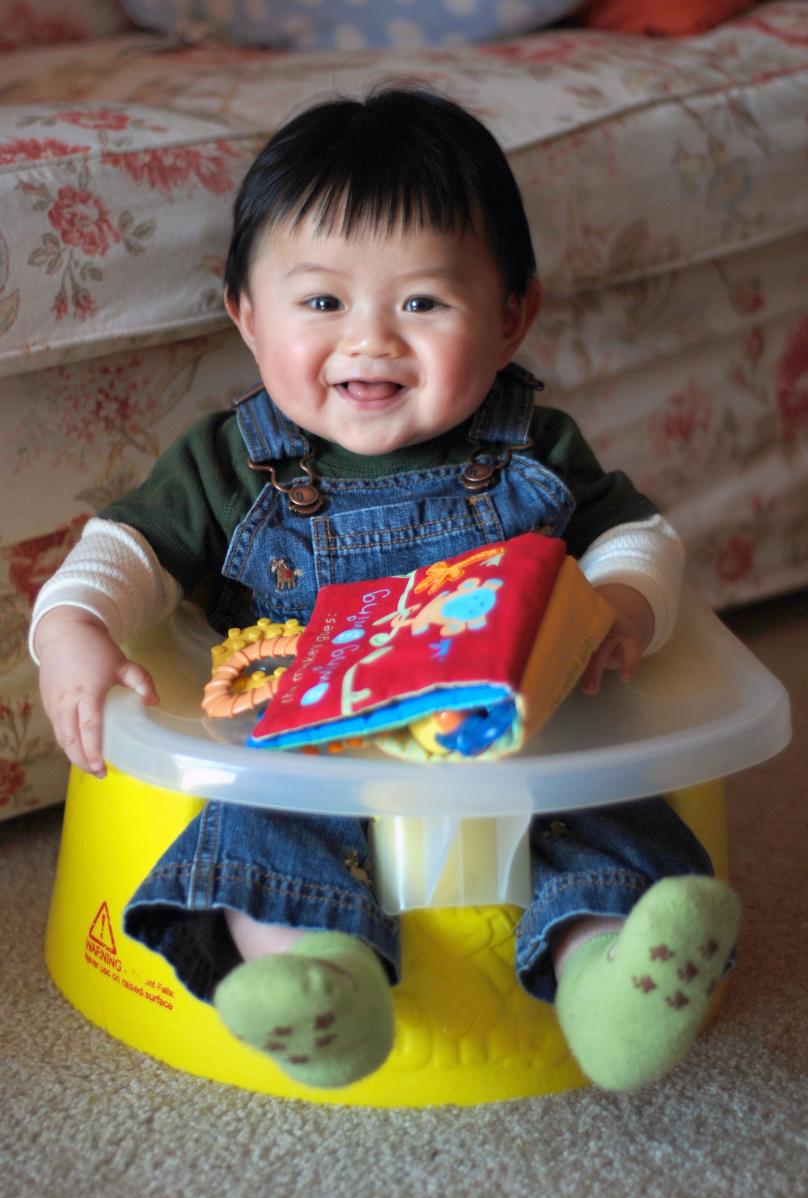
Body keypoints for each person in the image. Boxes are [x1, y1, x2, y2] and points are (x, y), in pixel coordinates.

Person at [30, 88, 739, 1093]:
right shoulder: (233, 464)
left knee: (606, 812)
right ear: (246, 315)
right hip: (307, 749)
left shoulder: (532, 450)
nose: (371, 341)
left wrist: (621, 602)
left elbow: (636, 534)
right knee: (255, 834)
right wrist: (74, 624)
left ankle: (609, 976)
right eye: (323, 303)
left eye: (422, 304)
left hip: (509, 743)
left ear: (511, 316)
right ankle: (313, 978)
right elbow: (126, 549)